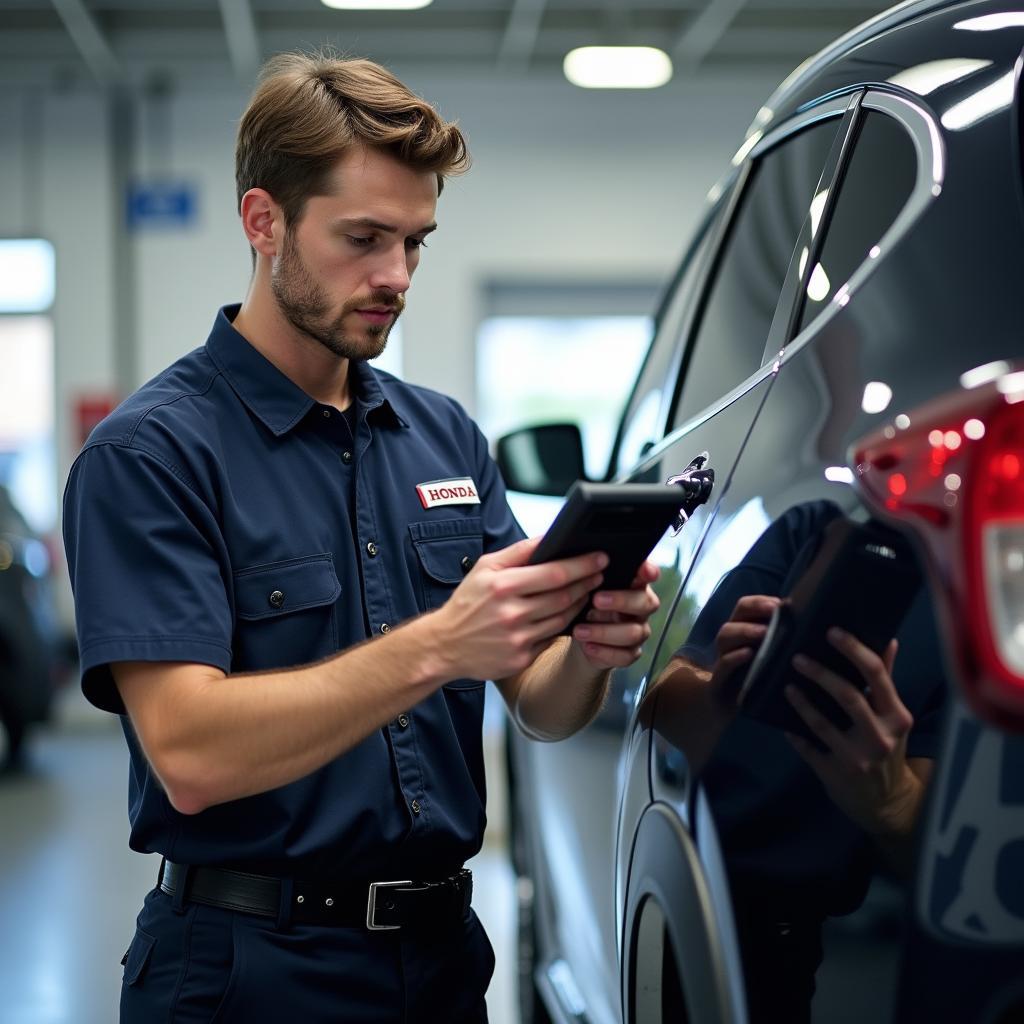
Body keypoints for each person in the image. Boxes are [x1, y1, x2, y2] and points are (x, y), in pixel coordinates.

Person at [62, 52, 659, 1024]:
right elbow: (190, 751)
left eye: (416, 243)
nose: (396, 276)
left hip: (440, 962)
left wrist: (590, 648)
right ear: (264, 222)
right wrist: (440, 644)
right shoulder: (150, 454)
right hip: (248, 972)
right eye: (363, 238)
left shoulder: (444, 436)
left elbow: (541, 702)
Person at [648, 500, 946, 1023]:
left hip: (804, 936)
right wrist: (720, 693)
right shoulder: (821, 525)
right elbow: (663, 705)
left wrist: (895, 800)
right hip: (732, 915)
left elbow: (958, 861)